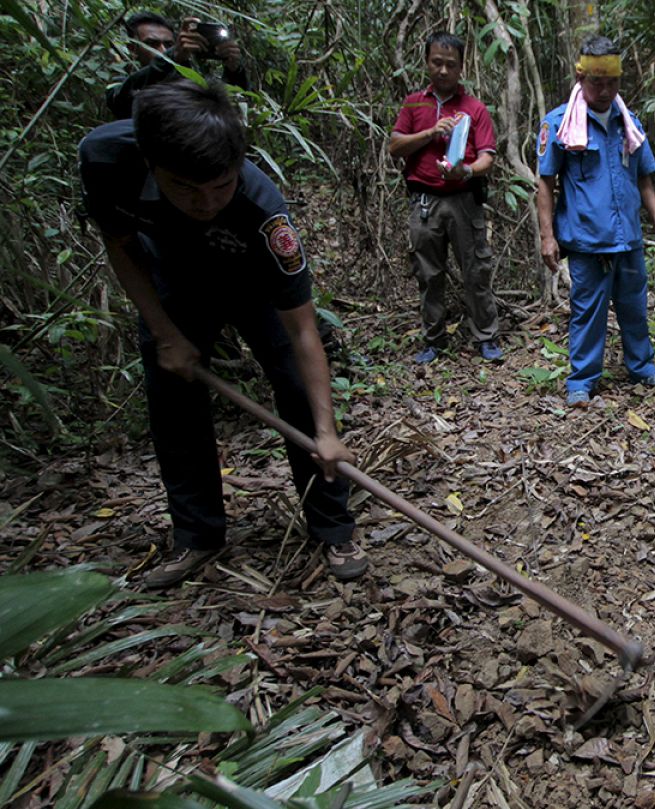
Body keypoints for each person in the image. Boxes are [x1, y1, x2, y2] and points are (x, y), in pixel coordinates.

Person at [79, 81, 367, 588]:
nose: (205, 201)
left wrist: (326, 433)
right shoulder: (106, 161)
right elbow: (121, 245)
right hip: (172, 279)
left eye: (220, 186)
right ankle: (197, 536)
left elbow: (302, 329)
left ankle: (332, 528)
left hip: (252, 283)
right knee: (173, 401)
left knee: (298, 391)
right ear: (150, 162)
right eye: (186, 187)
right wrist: (166, 333)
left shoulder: (264, 213)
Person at [534, 34, 655, 408]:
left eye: (612, 82)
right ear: (581, 78)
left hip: (627, 237)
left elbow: (644, 177)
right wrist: (547, 237)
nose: (605, 90)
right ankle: (581, 381)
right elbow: (545, 183)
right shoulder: (560, 124)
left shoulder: (628, 122)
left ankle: (641, 368)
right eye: (597, 82)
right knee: (587, 312)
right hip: (586, 240)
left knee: (634, 306)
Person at [388, 31, 503, 365]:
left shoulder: (474, 108)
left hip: (464, 199)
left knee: (476, 270)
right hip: (424, 202)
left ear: (461, 67)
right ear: (426, 62)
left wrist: (466, 171)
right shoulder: (414, 104)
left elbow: (487, 157)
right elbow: (395, 146)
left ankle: (486, 336)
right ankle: (434, 340)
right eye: (436, 62)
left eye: (450, 65)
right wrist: (430, 132)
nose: (442, 70)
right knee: (428, 273)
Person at [106, 12, 249, 120]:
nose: (162, 50)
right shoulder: (120, 82)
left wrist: (234, 70)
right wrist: (171, 57)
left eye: (168, 45)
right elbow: (121, 101)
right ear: (132, 48)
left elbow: (225, 111)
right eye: (152, 44)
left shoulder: (188, 78)